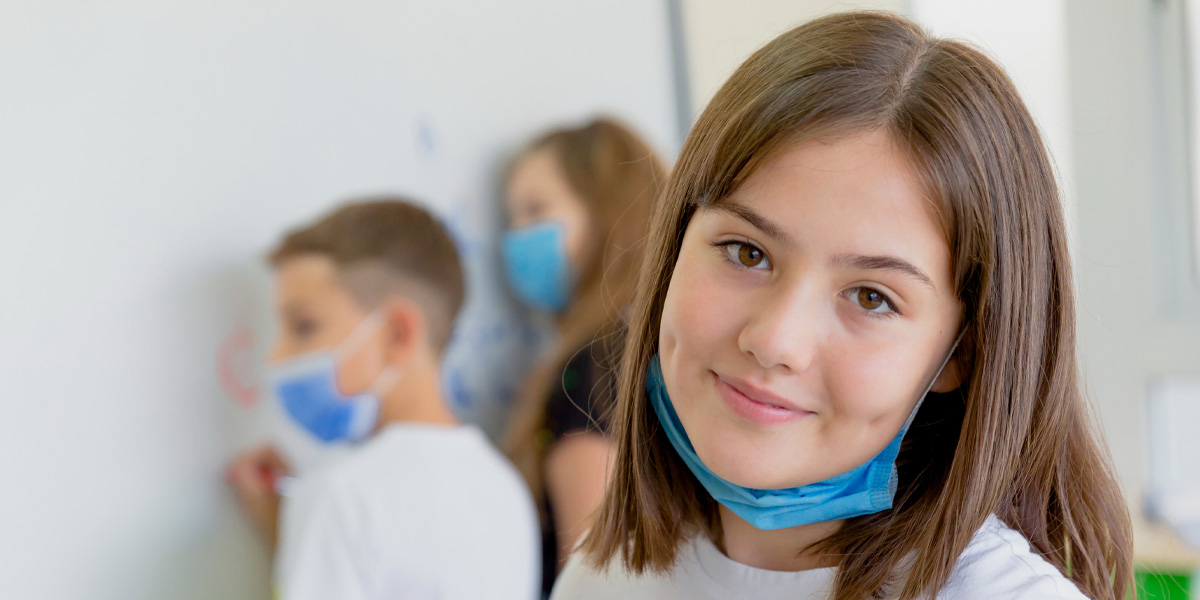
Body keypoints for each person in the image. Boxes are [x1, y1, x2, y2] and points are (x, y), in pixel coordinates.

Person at [551, 11, 1133, 600]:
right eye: (747, 252)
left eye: (871, 297)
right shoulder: (605, 575)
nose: (775, 339)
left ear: (963, 353)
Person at [227, 198, 539, 600]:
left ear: (397, 334)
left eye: (303, 326)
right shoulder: (505, 491)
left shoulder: (340, 496)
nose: (276, 357)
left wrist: (309, 527)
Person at [499, 118, 667, 595]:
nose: (514, 239)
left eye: (536, 211)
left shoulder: (593, 367)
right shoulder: (653, 347)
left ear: (609, 214)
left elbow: (593, 578)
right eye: (510, 217)